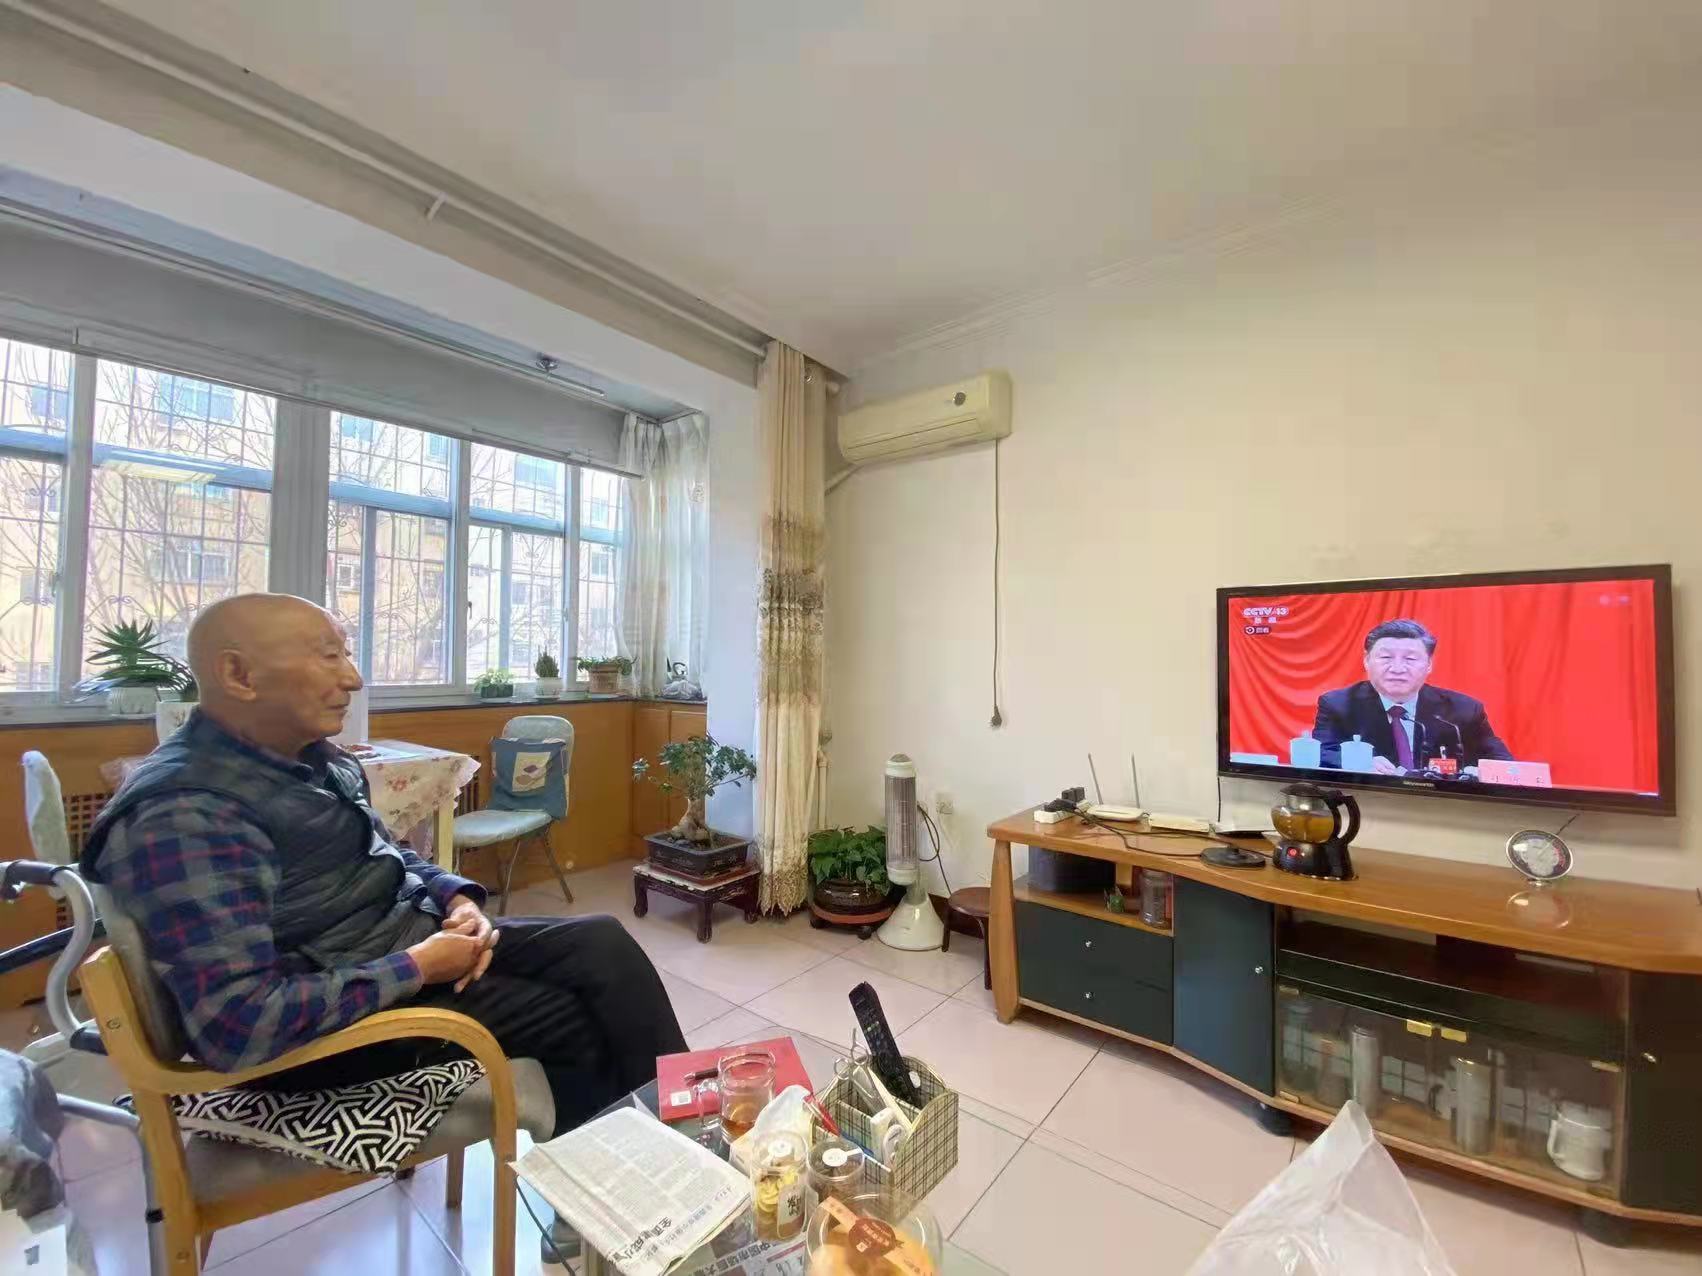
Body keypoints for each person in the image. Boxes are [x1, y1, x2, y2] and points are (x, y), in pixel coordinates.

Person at [80, 593, 686, 1168]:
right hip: (327, 1030)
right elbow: (239, 1027)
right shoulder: (187, 813)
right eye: (328, 656)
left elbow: (388, 853)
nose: (353, 678)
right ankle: (629, 1187)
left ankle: (687, 1133)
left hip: (393, 941)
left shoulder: (315, 760)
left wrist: (455, 897)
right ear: (238, 675)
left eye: (346, 654)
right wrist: (419, 966)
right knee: (572, 1018)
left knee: (600, 941)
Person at [1312, 618, 1512, 774]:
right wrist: (1359, 761)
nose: (1397, 668)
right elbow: (1319, 753)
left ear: (1429, 665)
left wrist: (1476, 773)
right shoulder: (1339, 704)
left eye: (1410, 659)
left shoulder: (1463, 709)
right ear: (1366, 661)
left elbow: (1503, 763)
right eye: (1386, 657)